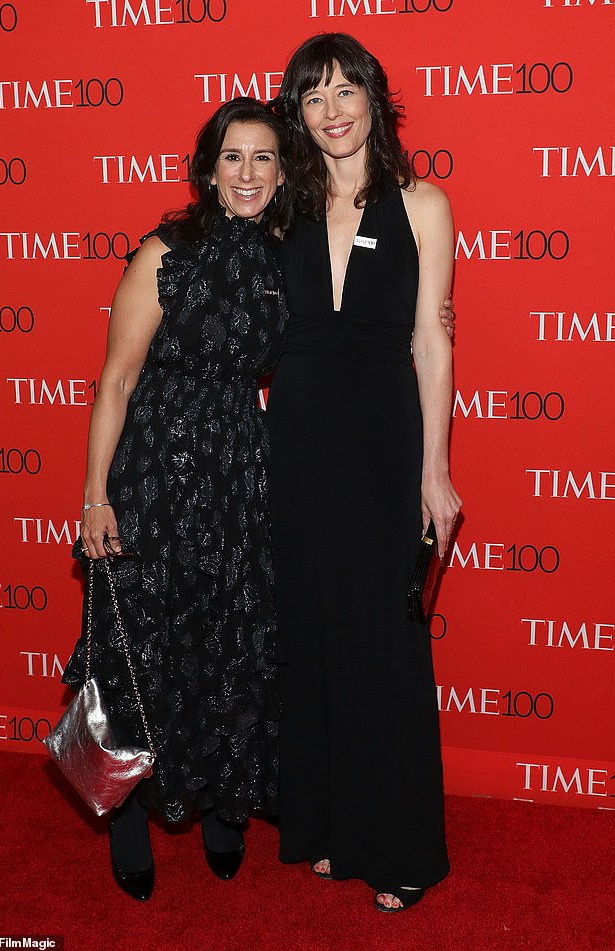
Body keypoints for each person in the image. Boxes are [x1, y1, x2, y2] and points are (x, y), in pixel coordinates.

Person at [62, 97, 291, 902]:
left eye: (264, 157)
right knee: (139, 650)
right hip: (153, 471)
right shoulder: (166, 251)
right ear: (207, 168)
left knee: (228, 637)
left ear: (283, 168)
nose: (249, 172)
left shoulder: (283, 260)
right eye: (234, 156)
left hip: (237, 476)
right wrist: (96, 496)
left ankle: (226, 808)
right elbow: (117, 380)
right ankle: (126, 817)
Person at [267, 33, 462, 912]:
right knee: (310, 631)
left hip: (384, 440)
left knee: (384, 640)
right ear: (298, 116)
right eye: (314, 97)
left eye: (346, 90)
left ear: (375, 100)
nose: (333, 110)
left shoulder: (423, 204)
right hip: (298, 443)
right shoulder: (280, 207)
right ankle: (332, 824)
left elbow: (431, 339)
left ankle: (401, 845)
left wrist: (436, 472)